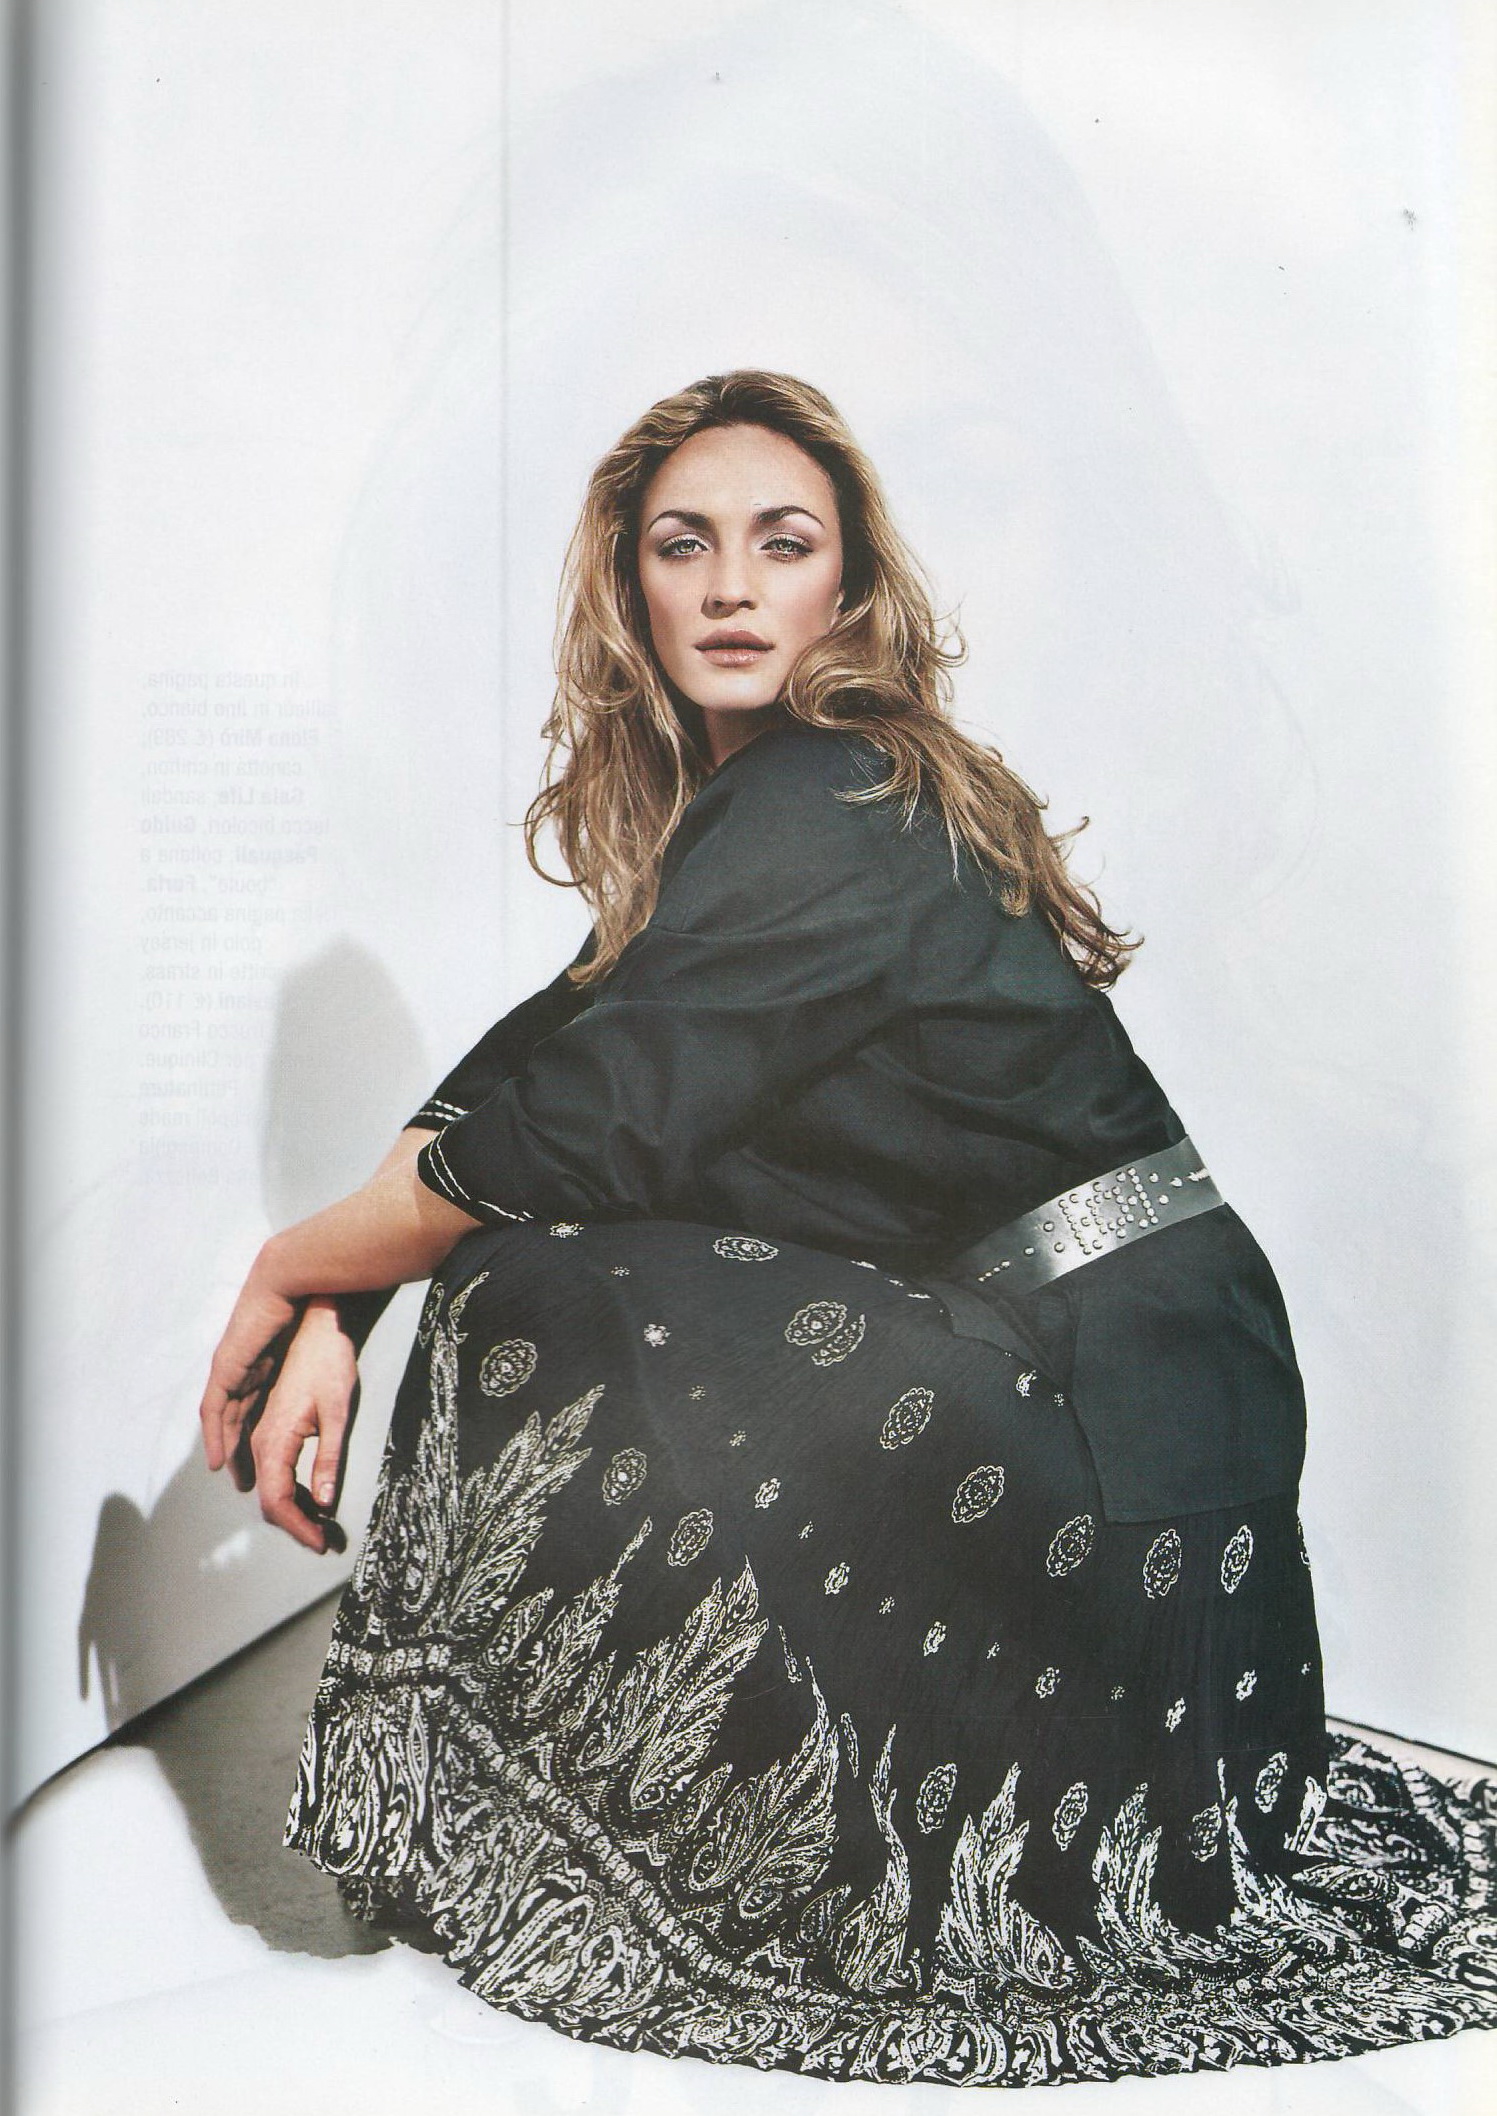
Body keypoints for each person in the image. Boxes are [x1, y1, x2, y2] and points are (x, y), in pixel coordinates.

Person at [200, 371, 1497, 2088]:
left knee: (534, 1279)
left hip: (1107, 1411)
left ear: (851, 587)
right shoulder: (773, 805)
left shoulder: (830, 791)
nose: (731, 587)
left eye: (782, 543)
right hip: (1132, 1381)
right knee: (523, 1238)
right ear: (627, 589)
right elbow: (552, 1045)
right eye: (684, 546)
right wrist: (339, 1308)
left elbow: (586, 1123)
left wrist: (292, 1266)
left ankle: (617, 1813)